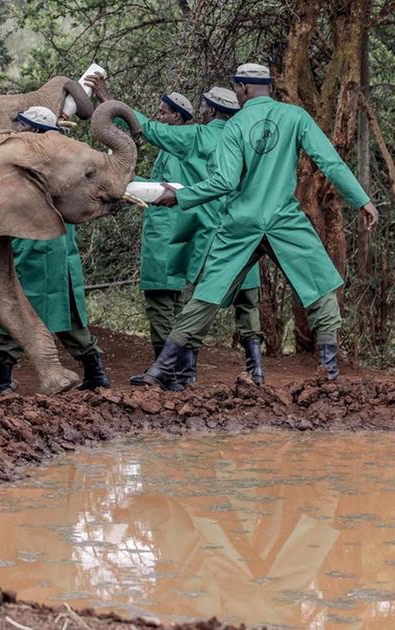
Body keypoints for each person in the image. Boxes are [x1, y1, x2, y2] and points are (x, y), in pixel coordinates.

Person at [138, 63, 379, 389]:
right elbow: (330, 161)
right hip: (283, 219)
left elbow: (223, 181)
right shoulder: (296, 117)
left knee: (206, 296)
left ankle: (161, 370)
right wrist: (361, 199)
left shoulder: (234, 126)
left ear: (243, 88)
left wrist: (179, 197)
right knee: (322, 290)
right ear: (267, 86)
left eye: (237, 87)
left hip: (241, 223)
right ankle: (330, 375)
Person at [90, 77, 265, 386]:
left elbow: (148, 131)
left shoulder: (193, 139)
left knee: (166, 297)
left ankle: (171, 372)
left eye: (164, 113)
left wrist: (108, 101)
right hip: (239, 230)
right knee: (232, 300)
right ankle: (248, 371)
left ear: (208, 112)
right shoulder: (249, 142)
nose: (160, 116)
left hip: (178, 228)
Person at [0, 106, 110, 394]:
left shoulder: (32, 164)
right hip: (56, 246)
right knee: (64, 313)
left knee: (16, 309)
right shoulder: (66, 162)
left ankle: (2, 381)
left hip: (34, 244)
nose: (18, 131)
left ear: (35, 132)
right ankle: (96, 373)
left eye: (24, 126)